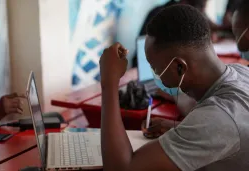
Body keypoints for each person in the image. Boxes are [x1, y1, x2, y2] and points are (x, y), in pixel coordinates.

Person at [100, 4, 249, 171]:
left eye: (155, 68)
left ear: (179, 67)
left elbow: (121, 168)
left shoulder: (217, 119)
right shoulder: (241, 73)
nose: (156, 76)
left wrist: (109, 83)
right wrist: (180, 128)